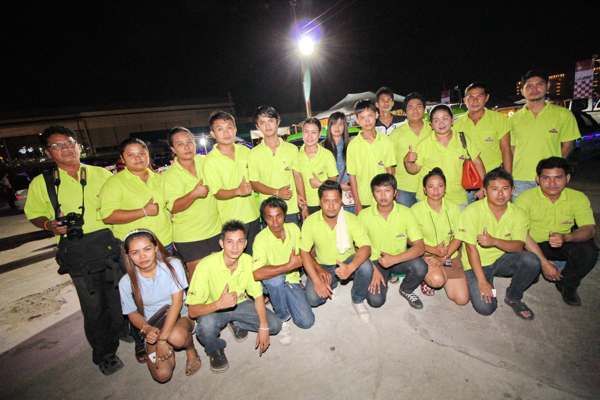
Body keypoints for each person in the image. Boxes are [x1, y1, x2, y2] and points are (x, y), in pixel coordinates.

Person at [24, 126, 125, 375]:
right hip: (77, 250)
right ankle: (104, 353)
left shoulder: (101, 174)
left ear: (79, 146)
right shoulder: (43, 183)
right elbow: (34, 214)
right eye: (57, 146)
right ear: (48, 152)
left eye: (69, 143)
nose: (66, 149)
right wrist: (48, 225)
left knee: (119, 297)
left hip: (109, 243)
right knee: (94, 306)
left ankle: (124, 331)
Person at [187, 220, 282, 373]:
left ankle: (236, 322)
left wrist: (263, 326)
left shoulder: (247, 261)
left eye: (240, 241)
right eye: (230, 242)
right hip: (213, 309)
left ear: (245, 244)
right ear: (221, 243)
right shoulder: (205, 266)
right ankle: (215, 350)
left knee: (275, 325)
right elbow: (192, 311)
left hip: (240, 303)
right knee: (205, 327)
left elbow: (258, 296)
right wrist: (218, 304)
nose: (235, 247)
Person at [456, 168, 541, 319]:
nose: (500, 194)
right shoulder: (471, 211)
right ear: (485, 191)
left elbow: (518, 246)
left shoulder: (519, 214)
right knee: (486, 307)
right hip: (476, 264)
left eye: (505, 188)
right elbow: (470, 249)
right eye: (494, 189)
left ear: (512, 190)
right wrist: (482, 282)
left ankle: (513, 296)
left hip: (502, 259)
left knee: (532, 261)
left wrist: (494, 241)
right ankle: (485, 282)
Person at [119, 229, 201, 382]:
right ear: (128, 255)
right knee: (162, 375)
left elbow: (177, 303)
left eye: (147, 249)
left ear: (156, 248)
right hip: (154, 324)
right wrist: (147, 328)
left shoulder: (172, 265)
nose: (142, 256)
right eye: (135, 252)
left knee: (176, 337)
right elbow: (131, 313)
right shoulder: (125, 282)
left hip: (180, 315)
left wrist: (162, 340)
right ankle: (167, 344)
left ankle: (191, 350)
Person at [516, 157, 598, 306]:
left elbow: (589, 229)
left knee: (589, 251)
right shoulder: (525, 198)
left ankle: (568, 284)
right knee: (529, 266)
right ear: (537, 179)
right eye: (546, 178)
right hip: (532, 245)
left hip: (562, 243)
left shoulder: (577, 198)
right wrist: (544, 263)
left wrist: (567, 237)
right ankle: (535, 270)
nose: (552, 183)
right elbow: (521, 233)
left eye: (558, 178)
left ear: (567, 178)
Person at [300, 180, 374, 322]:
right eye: (326, 201)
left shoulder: (351, 219)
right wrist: (317, 280)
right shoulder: (310, 222)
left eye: (335, 201)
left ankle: (357, 300)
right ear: (320, 202)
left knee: (366, 266)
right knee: (312, 299)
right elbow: (304, 252)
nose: (331, 206)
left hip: (347, 262)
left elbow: (366, 247)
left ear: (341, 201)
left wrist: (350, 267)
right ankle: (333, 283)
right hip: (323, 266)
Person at [358, 174, 428, 309]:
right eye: (378, 191)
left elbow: (420, 247)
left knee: (420, 267)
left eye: (387, 190)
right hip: (375, 262)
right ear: (373, 194)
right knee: (375, 301)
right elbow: (357, 248)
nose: (383, 195)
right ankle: (386, 276)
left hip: (399, 258)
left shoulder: (406, 212)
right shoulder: (363, 216)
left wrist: (394, 259)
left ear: (395, 193)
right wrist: (373, 270)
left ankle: (406, 289)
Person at [252, 197, 315, 345]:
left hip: (291, 279)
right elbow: (256, 274)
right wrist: (288, 266)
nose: (275, 222)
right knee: (275, 281)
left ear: (284, 215)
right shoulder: (260, 239)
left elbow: (304, 253)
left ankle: (282, 297)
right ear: (264, 219)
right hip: (271, 281)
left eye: (278, 216)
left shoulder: (293, 228)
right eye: (270, 217)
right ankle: (283, 317)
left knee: (307, 322)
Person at [509, 70, 580, 198]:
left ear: (547, 86)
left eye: (539, 84)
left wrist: (555, 168)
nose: (534, 89)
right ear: (522, 91)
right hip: (520, 179)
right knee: (521, 211)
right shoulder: (513, 119)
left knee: (551, 210)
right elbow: (512, 148)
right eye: (529, 86)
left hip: (551, 178)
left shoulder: (563, 115)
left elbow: (568, 145)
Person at [162, 127, 221, 277]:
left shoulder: (206, 162)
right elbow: (173, 207)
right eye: (180, 144)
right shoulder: (170, 175)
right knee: (199, 277)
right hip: (190, 236)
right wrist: (194, 194)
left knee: (219, 273)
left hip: (215, 229)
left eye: (189, 142)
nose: (187, 147)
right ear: (173, 149)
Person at [404, 104, 486, 208]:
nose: (441, 123)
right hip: (428, 199)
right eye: (436, 120)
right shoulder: (424, 144)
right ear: (431, 125)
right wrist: (408, 161)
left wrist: (483, 187)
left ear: (452, 121)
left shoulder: (462, 139)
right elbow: (414, 170)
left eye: (445, 118)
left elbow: (477, 162)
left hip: (457, 198)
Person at [100, 138, 173, 251]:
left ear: (148, 154)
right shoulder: (114, 183)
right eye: (131, 155)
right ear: (122, 159)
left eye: (141, 153)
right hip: (135, 248)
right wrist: (144, 211)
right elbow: (107, 216)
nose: (138, 158)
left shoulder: (159, 179)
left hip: (164, 242)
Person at [203, 111, 260, 254]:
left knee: (256, 256)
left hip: (254, 214)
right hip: (231, 221)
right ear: (213, 134)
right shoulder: (210, 161)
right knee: (237, 258)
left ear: (235, 129)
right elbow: (217, 192)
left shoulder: (246, 151)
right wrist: (238, 191)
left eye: (229, 127)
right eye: (220, 129)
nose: (226, 133)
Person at [411, 168, 469, 305]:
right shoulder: (415, 210)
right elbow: (411, 240)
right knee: (437, 280)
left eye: (440, 186)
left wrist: (443, 257)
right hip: (427, 256)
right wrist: (434, 251)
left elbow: (459, 236)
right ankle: (427, 277)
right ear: (424, 190)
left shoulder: (454, 208)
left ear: (445, 188)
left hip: (449, 255)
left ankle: (442, 272)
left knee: (462, 300)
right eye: (431, 186)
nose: (436, 190)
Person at [248, 106, 302, 224]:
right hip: (268, 210)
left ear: (278, 121)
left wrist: (303, 203)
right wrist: (277, 192)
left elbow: (297, 176)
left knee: (293, 236)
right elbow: (254, 183)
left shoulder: (292, 149)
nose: (267, 126)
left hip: (290, 209)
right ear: (257, 126)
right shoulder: (253, 153)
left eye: (271, 121)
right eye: (262, 122)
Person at [347, 99, 396, 214]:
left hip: (384, 198)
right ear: (357, 120)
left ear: (377, 115)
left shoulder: (386, 141)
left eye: (370, 115)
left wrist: (392, 196)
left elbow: (390, 171)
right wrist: (357, 202)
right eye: (362, 117)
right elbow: (352, 177)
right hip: (364, 199)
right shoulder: (353, 146)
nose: (367, 120)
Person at [453, 82, 512, 173]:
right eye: (470, 97)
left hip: (494, 173)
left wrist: (508, 177)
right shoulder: (457, 124)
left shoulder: (499, 119)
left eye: (479, 96)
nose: (475, 100)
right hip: (468, 174)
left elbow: (506, 149)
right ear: (465, 100)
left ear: (486, 98)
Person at [389, 92, 433, 207]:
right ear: (405, 112)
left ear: (424, 109)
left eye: (419, 106)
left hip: (430, 187)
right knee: (406, 218)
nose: (415, 110)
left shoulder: (433, 129)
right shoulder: (396, 134)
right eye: (410, 107)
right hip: (404, 188)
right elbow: (389, 163)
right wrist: (392, 187)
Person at [294, 117, 338, 217]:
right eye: (306, 132)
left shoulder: (327, 155)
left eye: (313, 132)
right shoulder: (296, 155)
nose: (309, 136)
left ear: (319, 134)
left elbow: (334, 182)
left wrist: (320, 184)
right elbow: (297, 180)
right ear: (302, 133)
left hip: (325, 204)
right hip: (305, 205)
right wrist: (304, 207)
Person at [323, 111, 354, 212]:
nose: (337, 127)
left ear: (345, 126)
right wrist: (339, 186)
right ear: (329, 126)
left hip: (350, 195)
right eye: (334, 124)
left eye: (340, 124)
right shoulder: (321, 147)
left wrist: (351, 185)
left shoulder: (351, 146)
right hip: (330, 195)